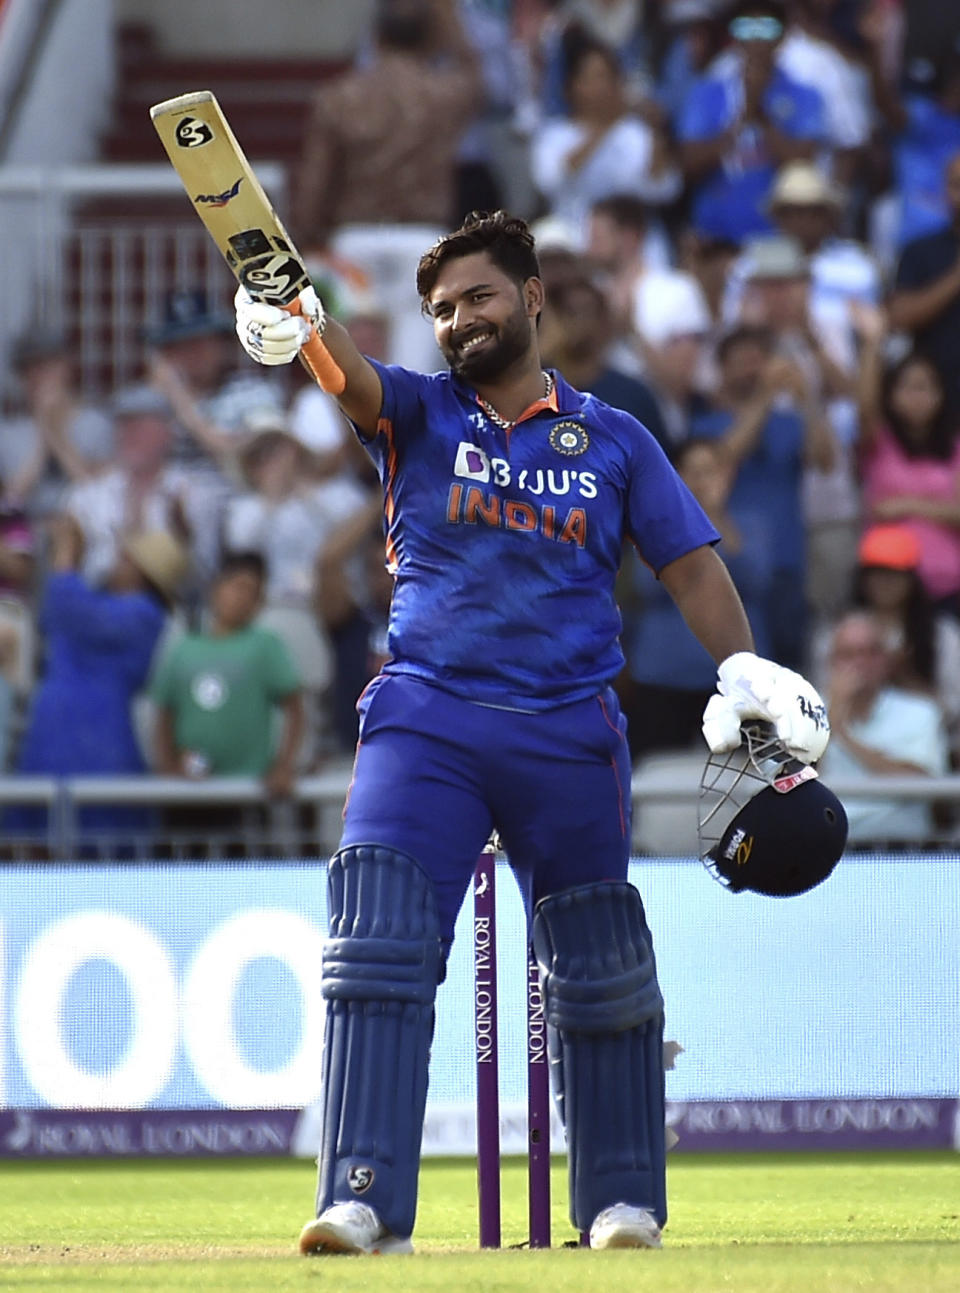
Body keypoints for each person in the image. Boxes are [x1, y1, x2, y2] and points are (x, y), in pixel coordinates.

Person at [232, 210, 830, 1255]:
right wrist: (302, 323)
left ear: (533, 296)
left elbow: (687, 565)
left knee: (599, 970)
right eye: (442, 309)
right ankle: (363, 1199)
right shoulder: (416, 412)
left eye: (478, 297)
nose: (460, 320)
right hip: (428, 718)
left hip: (567, 729)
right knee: (376, 944)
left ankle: (620, 1204)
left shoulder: (613, 437)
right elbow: (350, 378)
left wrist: (741, 667)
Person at [6, 517, 186, 840]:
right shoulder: (102, 600)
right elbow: (57, 612)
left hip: (99, 736)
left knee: (100, 842)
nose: (116, 563)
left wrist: (67, 554)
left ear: (143, 573)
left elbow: (73, 608)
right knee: (35, 845)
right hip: (52, 732)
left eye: (125, 558)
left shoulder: (145, 614)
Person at [151, 551, 305, 798]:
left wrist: (283, 765)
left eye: (253, 593)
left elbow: (295, 710)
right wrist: (168, 766)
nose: (243, 598)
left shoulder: (265, 645)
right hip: (189, 789)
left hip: (247, 788)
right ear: (216, 589)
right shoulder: (183, 649)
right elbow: (164, 714)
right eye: (238, 587)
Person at [675, 0, 827, 243]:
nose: (756, 38)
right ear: (733, 36)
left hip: (778, 237)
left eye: (766, 27)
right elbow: (688, 165)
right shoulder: (706, 93)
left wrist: (761, 115)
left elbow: (802, 164)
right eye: (745, 27)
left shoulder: (805, 96)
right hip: (716, 238)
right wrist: (742, 117)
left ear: (784, 35)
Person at [820, 610, 949, 847]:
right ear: (831, 662)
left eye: (871, 652)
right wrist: (828, 725)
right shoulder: (806, 713)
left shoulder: (921, 713)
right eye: (848, 654)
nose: (860, 663)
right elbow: (793, 786)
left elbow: (925, 786)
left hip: (904, 847)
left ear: (887, 661)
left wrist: (845, 736)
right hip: (827, 848)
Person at [855, 326, 960, 615]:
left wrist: (906, 505)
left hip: (948, 583)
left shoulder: (955, 446)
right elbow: (864, 407)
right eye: (908, 387)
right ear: (890, 394)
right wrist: (872, 345)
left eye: (926, 387)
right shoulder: (879, 442)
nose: (918, 396)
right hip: (886, 581)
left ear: (941, 394)